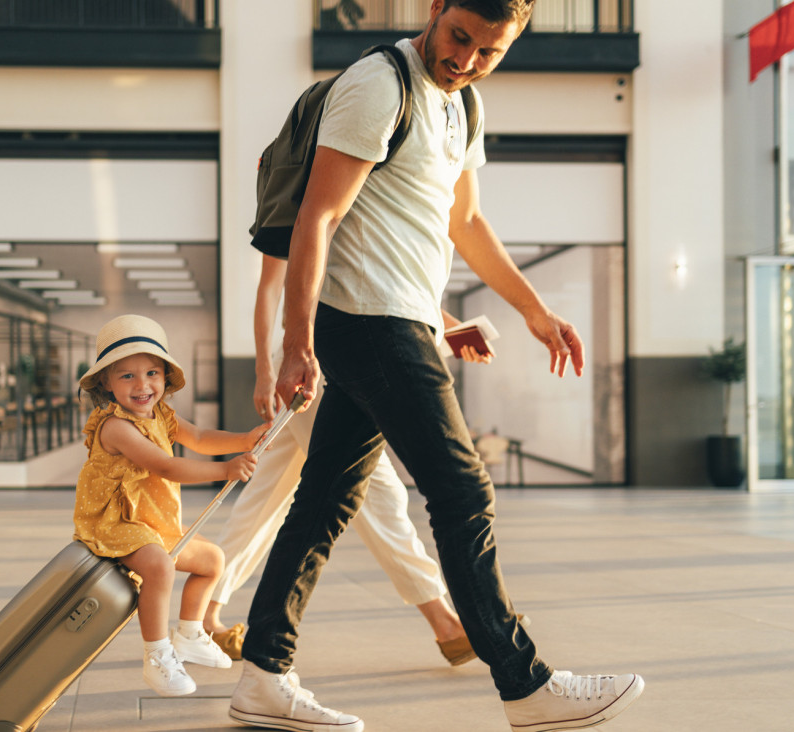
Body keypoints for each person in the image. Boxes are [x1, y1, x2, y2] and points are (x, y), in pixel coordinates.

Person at [228, 1, 645, 731]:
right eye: (459, 38)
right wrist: (297, 344)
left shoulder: (464, 106)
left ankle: (263, 672)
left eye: (489, 50)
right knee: (462, 493)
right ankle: (525, 684)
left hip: (400, 322)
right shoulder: (378, 86)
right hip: (370, 325)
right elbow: (317, 219)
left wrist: (533, 311)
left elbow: (464, 223)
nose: (467, 60)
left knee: (323, 503)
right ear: (434, 11)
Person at [203, 254, 484, 666]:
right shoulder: (300, 201)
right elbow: (269, 289)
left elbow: (381, 286)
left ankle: (201, 613)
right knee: (377, 492)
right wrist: (265, 370)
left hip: (348, 363)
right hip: (308, 369)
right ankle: (446, 624)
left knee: (266, 498)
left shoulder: (362, 210)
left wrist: (453, 329)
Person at [73, 314, 268, 698]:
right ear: (106, 384)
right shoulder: (116, 427)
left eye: (151, 373)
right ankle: (156, 654)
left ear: (164, 377)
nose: (142, 385)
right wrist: (226, 469)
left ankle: (192, 633)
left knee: (212, 560)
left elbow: (200, 437)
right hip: (116, 522)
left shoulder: (162, 415)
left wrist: (244, 439)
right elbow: (166, 466)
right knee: (160, 566)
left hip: (151, 522)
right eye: (126, 376)